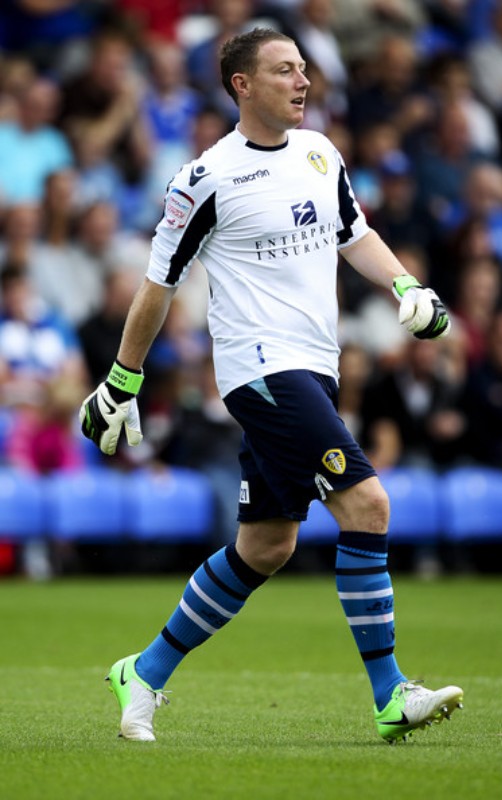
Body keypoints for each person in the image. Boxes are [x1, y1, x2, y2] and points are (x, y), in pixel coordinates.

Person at [80, 27, 463, 745]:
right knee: (368, 503)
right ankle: (390, 694)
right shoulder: (205, 178)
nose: (303, 81)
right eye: (284, 70)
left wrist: (407, 285)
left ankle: (143, 671)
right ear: (242, 85)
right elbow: (158, 284)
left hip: (315, 366)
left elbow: (355, 235)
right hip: (259, 369)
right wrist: (122, 380)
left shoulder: (321, 154)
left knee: (266, 545)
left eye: (303, 68)